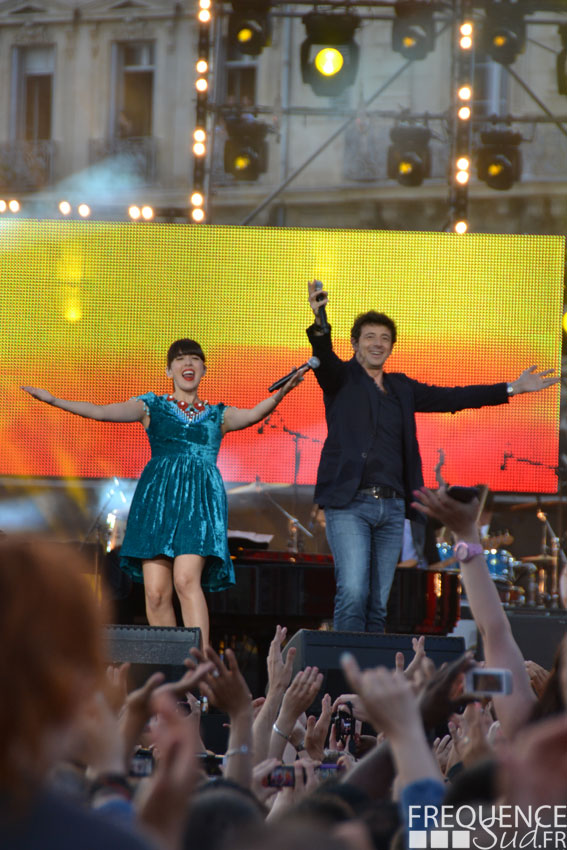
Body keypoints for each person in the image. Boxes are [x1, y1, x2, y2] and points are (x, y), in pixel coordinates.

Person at [306, 281, 559, 633]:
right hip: (350, 504)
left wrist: (512, 388)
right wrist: (320, 319)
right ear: (354, 343)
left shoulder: (402, 388)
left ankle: (370, 686)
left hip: (393, 507)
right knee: (352, 592)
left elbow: (453, 397)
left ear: (391, 347)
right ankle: (347, 681)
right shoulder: (341, 380)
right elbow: (325, 354)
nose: (378, 343)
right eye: (369, 337)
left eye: (385, 338)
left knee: (379, 604)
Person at [23, 338, 305, 646]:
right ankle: (174, 671)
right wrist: (54, 401)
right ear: (169, 370)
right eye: (181, 359)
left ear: (203, 369)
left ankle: (199, 671)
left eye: (195, 359)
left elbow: (252, 415)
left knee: (186, 580)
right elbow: (101, 412)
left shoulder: (217, 416)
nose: (188, 364)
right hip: (157, 503)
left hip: (199, 506)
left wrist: (284, 391)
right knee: (156, 594)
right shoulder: (151, 407)